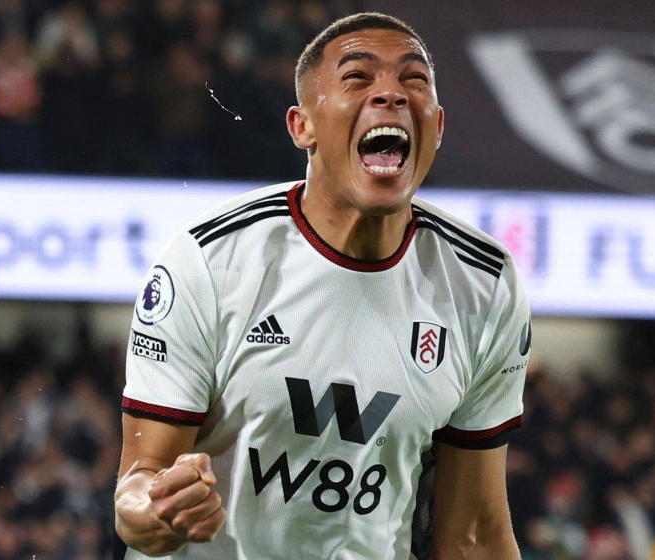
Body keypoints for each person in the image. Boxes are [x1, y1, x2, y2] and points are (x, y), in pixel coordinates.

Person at [114, 12, 531, 560]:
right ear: (301, 127)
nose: (391, 94)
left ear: (438, 126)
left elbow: (474, 533)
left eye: (413, 80)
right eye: (358, 77)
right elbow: (140, 481)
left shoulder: (483, 284)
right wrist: (158, 511)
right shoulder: (210, 262)